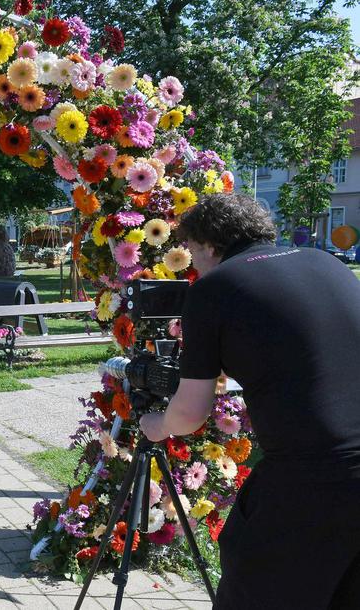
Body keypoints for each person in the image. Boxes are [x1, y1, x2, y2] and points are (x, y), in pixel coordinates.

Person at [138, 194, 360, 609]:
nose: (193, 267)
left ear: (208, 245)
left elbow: (188, 414)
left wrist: (158, 425)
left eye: (192, 255)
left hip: (311, 476)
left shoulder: (214, 289)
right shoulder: (326, 262)